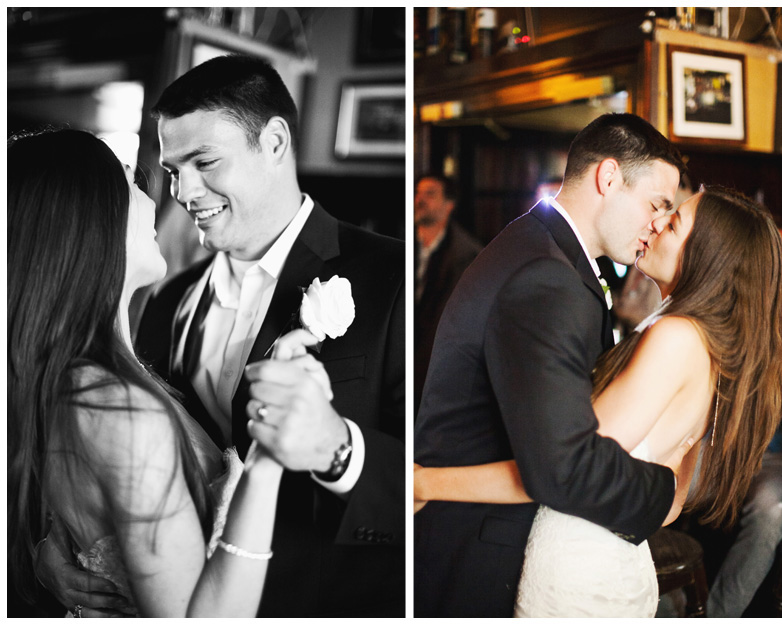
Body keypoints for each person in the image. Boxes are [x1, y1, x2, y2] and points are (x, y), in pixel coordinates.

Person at [36, 54, 405, 617]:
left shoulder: (391, 276)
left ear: (275, 143)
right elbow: (103, 454)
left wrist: (339, 450)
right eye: (172, 170)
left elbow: (435, 473)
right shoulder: (163, 297)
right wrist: (57, 546)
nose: (183, 192)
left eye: (204, 161)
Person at [415, 185, 782, 617]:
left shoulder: (677, 338)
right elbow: (669, 503)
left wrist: (426, 482)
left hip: (579, 572)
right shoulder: (704, 344)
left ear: (711, 255)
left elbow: (564, 468)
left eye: (673, 223)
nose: (655, 223)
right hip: (607, 561)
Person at [8, 128, 295, 616]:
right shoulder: (113, 403)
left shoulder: (75, 379)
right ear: (88, 217)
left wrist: (63, 544)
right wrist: (268, 461)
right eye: (133, 180)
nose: (165, 197)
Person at [414, 113, 690, 617]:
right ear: (608, 178)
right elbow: (561, 466)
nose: (657, 223)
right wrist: (669, 492)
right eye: (657, 204)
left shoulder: (544, 250)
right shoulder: (549, 274)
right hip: (478, 548)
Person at [705, 225, 782, 617]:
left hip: (777, 455)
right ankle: (663, 600)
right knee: (651, 481)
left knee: (770, 513)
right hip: (714, 445)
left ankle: (718, 616)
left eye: (776, 252)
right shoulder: (720, 305)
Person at [414, 174, 482, 416]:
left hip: (436, 369)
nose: (419, 200)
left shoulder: (468, 255)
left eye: (430, 194)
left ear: (449, 204)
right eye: (418, 193)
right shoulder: (402, 243)